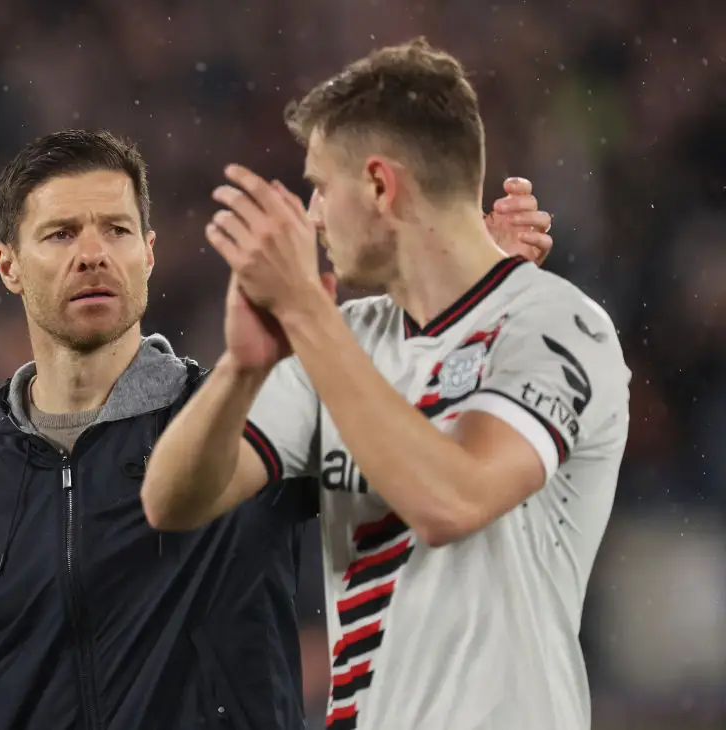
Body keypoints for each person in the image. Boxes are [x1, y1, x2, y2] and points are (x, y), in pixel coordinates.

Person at [0, 130, 552, 730]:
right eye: (59, 234)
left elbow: (429, 447)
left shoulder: (249, 418)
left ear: (148, 254)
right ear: (8, 265)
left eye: (115, 229)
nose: (92, 254)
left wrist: (478, 310)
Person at [142, 38, 629, 730]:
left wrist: (309, 317)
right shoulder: (349, 339)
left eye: (319, 185)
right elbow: (171, 499)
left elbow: (452, 501)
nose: (312, 216)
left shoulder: (555, 325)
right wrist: (241, 367)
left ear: (378, 185)